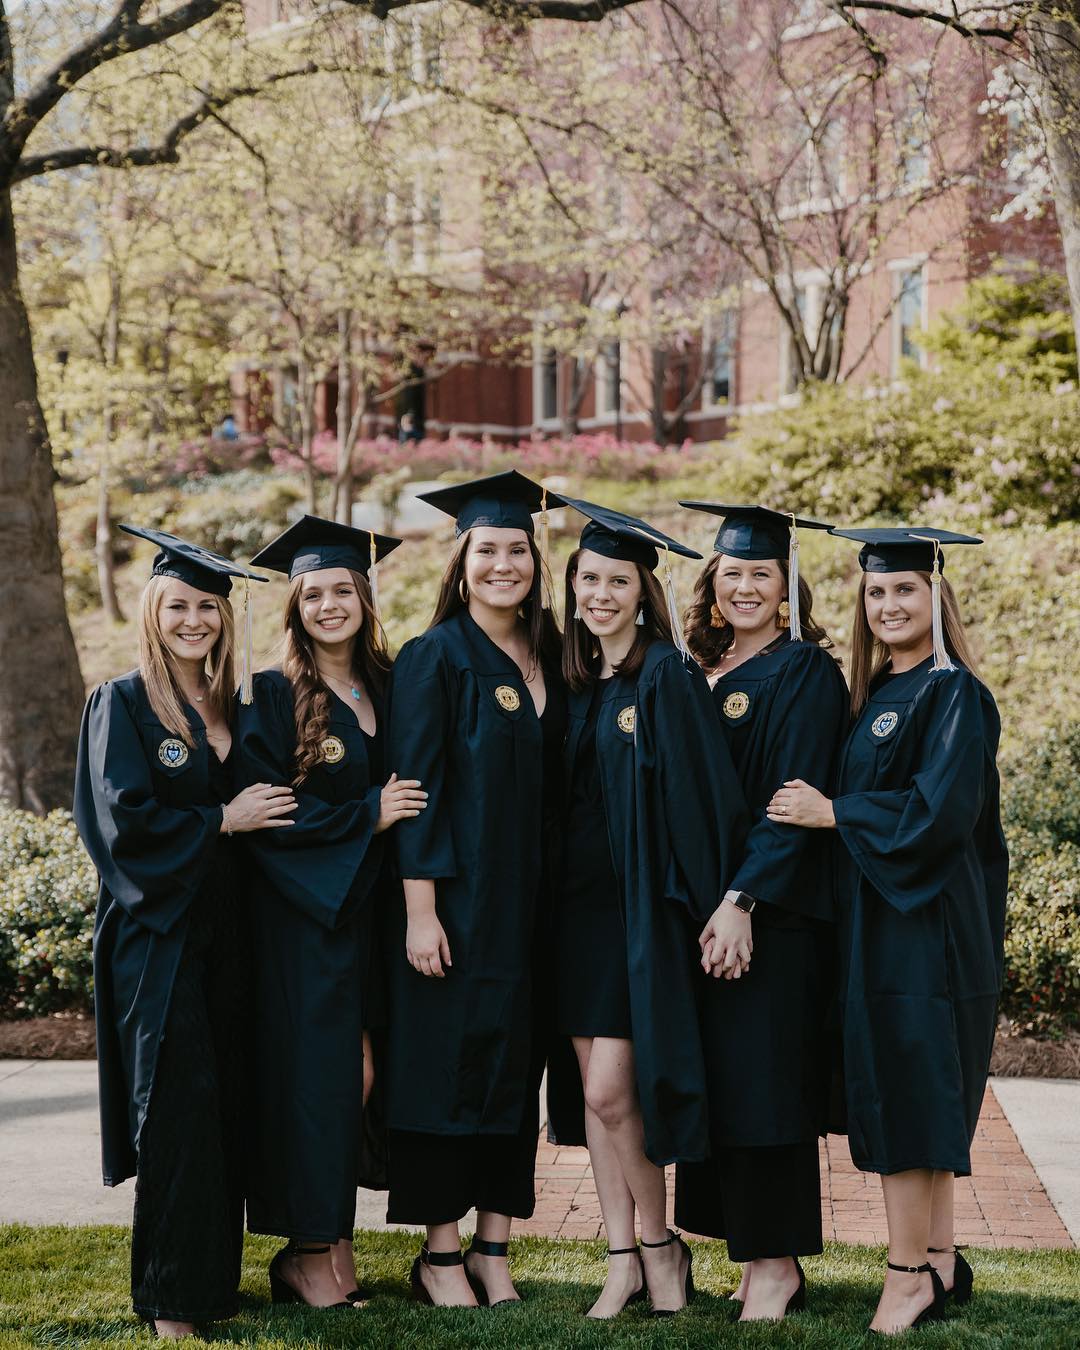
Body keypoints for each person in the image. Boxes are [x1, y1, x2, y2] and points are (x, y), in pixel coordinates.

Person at [766, 527, 1008, 1335]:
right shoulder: (879, 694)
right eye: (876, 591)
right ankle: (938, 1259)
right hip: (885, 925)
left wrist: (836, 812)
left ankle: (905, 1279)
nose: (889, 604)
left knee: (911, 1096)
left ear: (936, 597)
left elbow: (942, 814)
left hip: (929, 931)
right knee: (912, 1092)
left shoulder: (953, 693)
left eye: (905, 589)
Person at [74, 526, 293, 1340]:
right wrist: (222, 820)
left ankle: (213, 1286)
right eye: (178, 606)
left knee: (227, 1104)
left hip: (232, 935)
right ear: (152, 612)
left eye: (207, 607)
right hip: (157, 937)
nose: (194, 620)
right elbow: (121, 826)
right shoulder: (124, 703)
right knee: (180, 1112)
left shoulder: (241, 705)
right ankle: (171, 1301)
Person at [555, 498, 747, 1319]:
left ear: (644, 593)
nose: (600, 594)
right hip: (573, 916)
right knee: (596, 1099)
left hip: (637, 914)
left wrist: (707, 905)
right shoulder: (574, 679)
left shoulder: (666, 674)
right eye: (589, 579)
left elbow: (704, 801)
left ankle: (663, 1247)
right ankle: (620, 1256)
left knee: (611, 1093)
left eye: (617, 582)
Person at [385, 470, 567, 1309]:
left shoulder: (554, 654)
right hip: (457, 906)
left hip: (532, 911)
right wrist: (420, 911)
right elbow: (415, 788)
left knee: (513, 1075)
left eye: (517, 550)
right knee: (444, 1071)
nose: (503, 565)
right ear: (460, 564)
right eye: (487, 550)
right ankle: (440, 1255)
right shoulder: (434, 657)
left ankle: (495, 1248)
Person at [236, 516, 427, 1310]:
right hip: (308, 919)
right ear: (295, 606)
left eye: (342, 590)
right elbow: (267, 814)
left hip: (377, 916)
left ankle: (333, 1243)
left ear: (365, 597)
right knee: (330, 1078)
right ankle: (307, 1253)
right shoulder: (271, 695)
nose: (328, 605)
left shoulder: (390, 682)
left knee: (369, 1077)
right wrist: (365, 817)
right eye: (312, 594)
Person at [671, 503, 848, 1322]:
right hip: (705, 916)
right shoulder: (699, 669)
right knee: (725, 1087)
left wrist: (742, 899)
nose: (744, 587)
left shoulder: (804, 672)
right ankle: (750, 1259)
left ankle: (777, 1266)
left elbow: (792, 799)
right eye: (732, 573)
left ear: (787, 586)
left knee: (765, 1088)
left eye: (761, 575)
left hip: (769, 917)